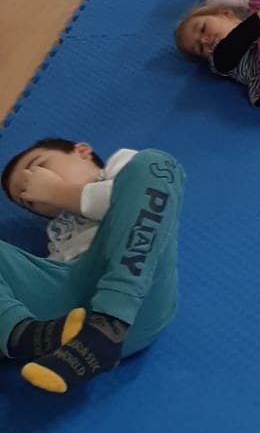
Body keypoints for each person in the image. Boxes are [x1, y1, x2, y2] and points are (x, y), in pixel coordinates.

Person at [0, 138, 183, 395]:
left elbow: (139, 197)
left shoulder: (120, 169)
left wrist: (56, 191)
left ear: (82, 151)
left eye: (38, 167)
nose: (30, 190)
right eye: (25, 198)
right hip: (66, 325)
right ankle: (24, 336)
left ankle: (110, 324)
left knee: (156, 164)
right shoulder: (57, 234)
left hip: (136, 299)